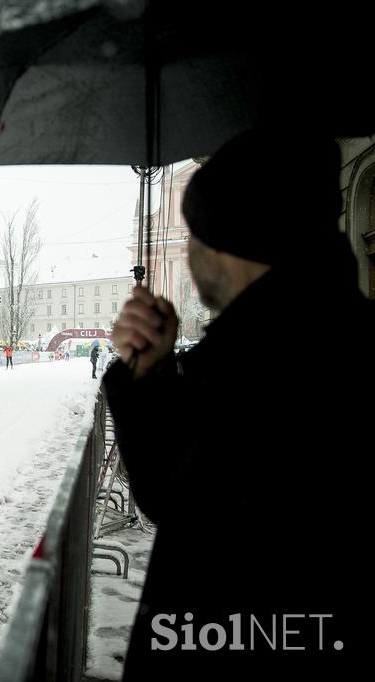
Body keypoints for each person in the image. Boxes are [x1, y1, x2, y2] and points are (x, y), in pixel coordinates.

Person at [103, 129, 370, 681]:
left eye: (196, 234)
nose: (191, 253)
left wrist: (145, 380)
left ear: (231, 241)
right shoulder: (323, 334)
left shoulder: (264, 360)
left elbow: (180, 496)